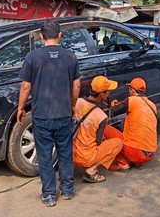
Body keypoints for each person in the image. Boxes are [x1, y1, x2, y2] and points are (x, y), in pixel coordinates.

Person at [17, 20, 80, 207]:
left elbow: (25, 85)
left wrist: (21, 108)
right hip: (63, 114)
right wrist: (73, 105)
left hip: (42, 116)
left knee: (44, 155)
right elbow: (76, 84)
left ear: (41, 36)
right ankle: (68, 190)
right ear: (59, 35)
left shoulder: (33, 57)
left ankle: (49, 195)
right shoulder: (71, 57)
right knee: (65, 152)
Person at [73, 75, 124, 183]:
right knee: (118, 143)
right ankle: (92, 171)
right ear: (102, 94)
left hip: (70, 154)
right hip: (86, 158)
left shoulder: (78, 102)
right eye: (108, 91)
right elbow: (98, 141)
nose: (109, 92)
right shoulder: (101, 116)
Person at [106, 77, 158, 171]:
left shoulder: (132, 100)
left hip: (136, 152)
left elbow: (114, 111)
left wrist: (113, 104)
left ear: (132, 90)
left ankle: (123, 164)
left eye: (129, 89)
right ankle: (137, 162)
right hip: (150, 154)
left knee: (105, 129)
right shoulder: (152, 105)